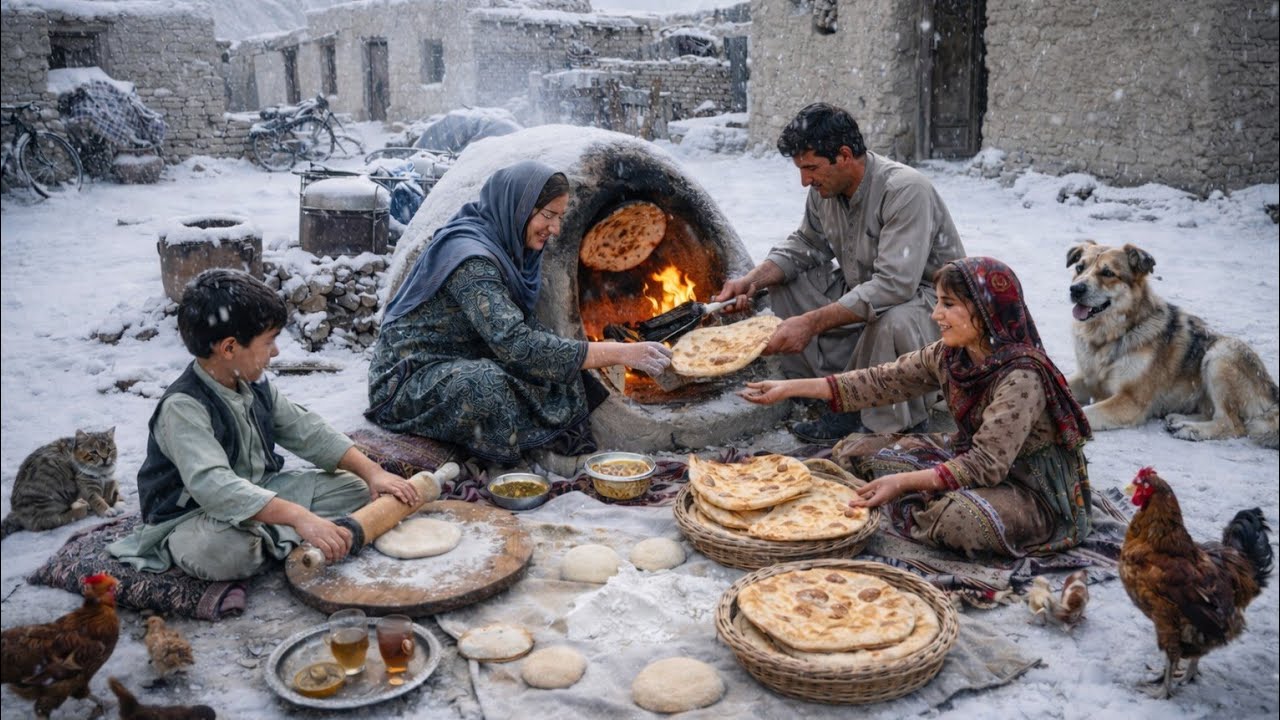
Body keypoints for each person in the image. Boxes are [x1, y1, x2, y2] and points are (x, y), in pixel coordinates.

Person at [741, 257, 1093, 558]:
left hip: (1031, 488)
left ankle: (925, 497)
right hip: (966, 457)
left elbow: (986, 465)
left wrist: (903, 482)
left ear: (986, 311)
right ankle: (922, 492)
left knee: (958, 521)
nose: (936, 314)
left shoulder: (1022, 376)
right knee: (853, 451)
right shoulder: (950, 355)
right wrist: (788, 388)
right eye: (938, 302)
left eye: (949, 304)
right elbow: (877, 382)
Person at [109, 269, 420, 582]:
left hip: (259, 491)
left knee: (355, 488)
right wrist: (299, 517)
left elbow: (307, 431)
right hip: (195, 515)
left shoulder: (251, 383)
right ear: (229, 348)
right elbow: (214, 486)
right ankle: (289, 531)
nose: (276, 352)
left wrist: (373, 473)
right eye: (269, 342)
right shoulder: (183, 407)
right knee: (222, 554)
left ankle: (275, 534)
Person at [366, 160, 671, 469]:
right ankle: (506, 462)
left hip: (464, 352)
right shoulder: (472, 261)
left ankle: (533, 439)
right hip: (408, 378)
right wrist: (618, 353)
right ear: (518, 207)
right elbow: (517, 346)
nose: (555, 229)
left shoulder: (506, 243)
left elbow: (522, 336)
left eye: (560, 217)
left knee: (556, 369)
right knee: (486, 384)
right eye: (548, 215)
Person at [715, 102, 965, 443]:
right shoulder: (825, 191)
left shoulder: (905, 190)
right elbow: (805, 244)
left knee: (893, 318)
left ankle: (883, 424)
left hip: (928, 306)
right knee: (784, 284)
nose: (805, 181)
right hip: (866, 292)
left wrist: (811, 323)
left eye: (811, 168)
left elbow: (895, 286)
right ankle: (827, 394)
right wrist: (751, 281)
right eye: (801, 169)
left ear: (844, 155)